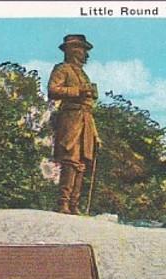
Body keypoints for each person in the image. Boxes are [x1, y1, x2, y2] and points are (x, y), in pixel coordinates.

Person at [48, 34, 100, 214]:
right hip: (70, 118)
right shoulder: (63, 69)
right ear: (72, 51)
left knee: (81, 162)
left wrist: (95, 133)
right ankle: (63, 202)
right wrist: (78, 90)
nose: (86, 55)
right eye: (83, 50)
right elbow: (53, 90)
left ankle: (74, 204)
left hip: (85, 119)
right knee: (70, 159)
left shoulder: (83, 74)